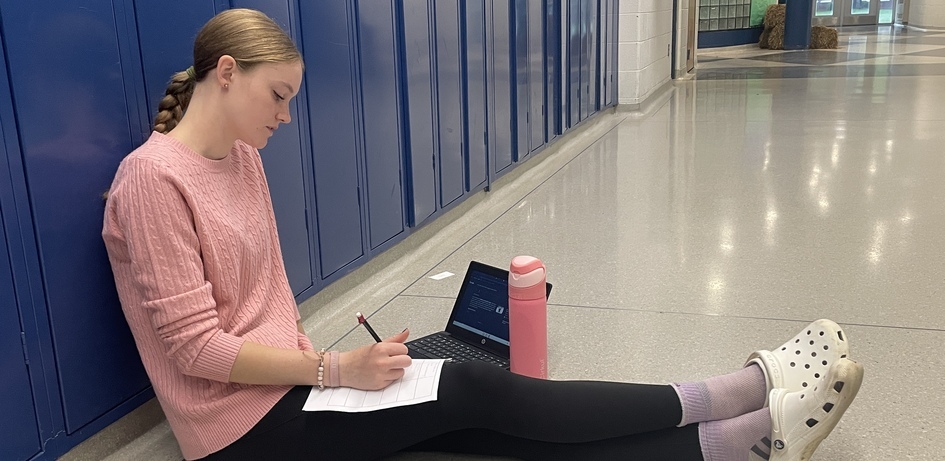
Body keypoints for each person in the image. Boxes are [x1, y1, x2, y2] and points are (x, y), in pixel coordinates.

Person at [102, 9, 864, 461]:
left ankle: (735, 442)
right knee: (470, 384)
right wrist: (337, 370)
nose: (286, 116)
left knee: (485, 415)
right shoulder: (151, 180)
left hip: (294, 387)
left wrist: (341, 366)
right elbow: (197, 351)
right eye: (279, 95)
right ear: (225, 73)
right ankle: (734, 392)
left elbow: (264, 299)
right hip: (240, 431)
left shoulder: (239, 156)